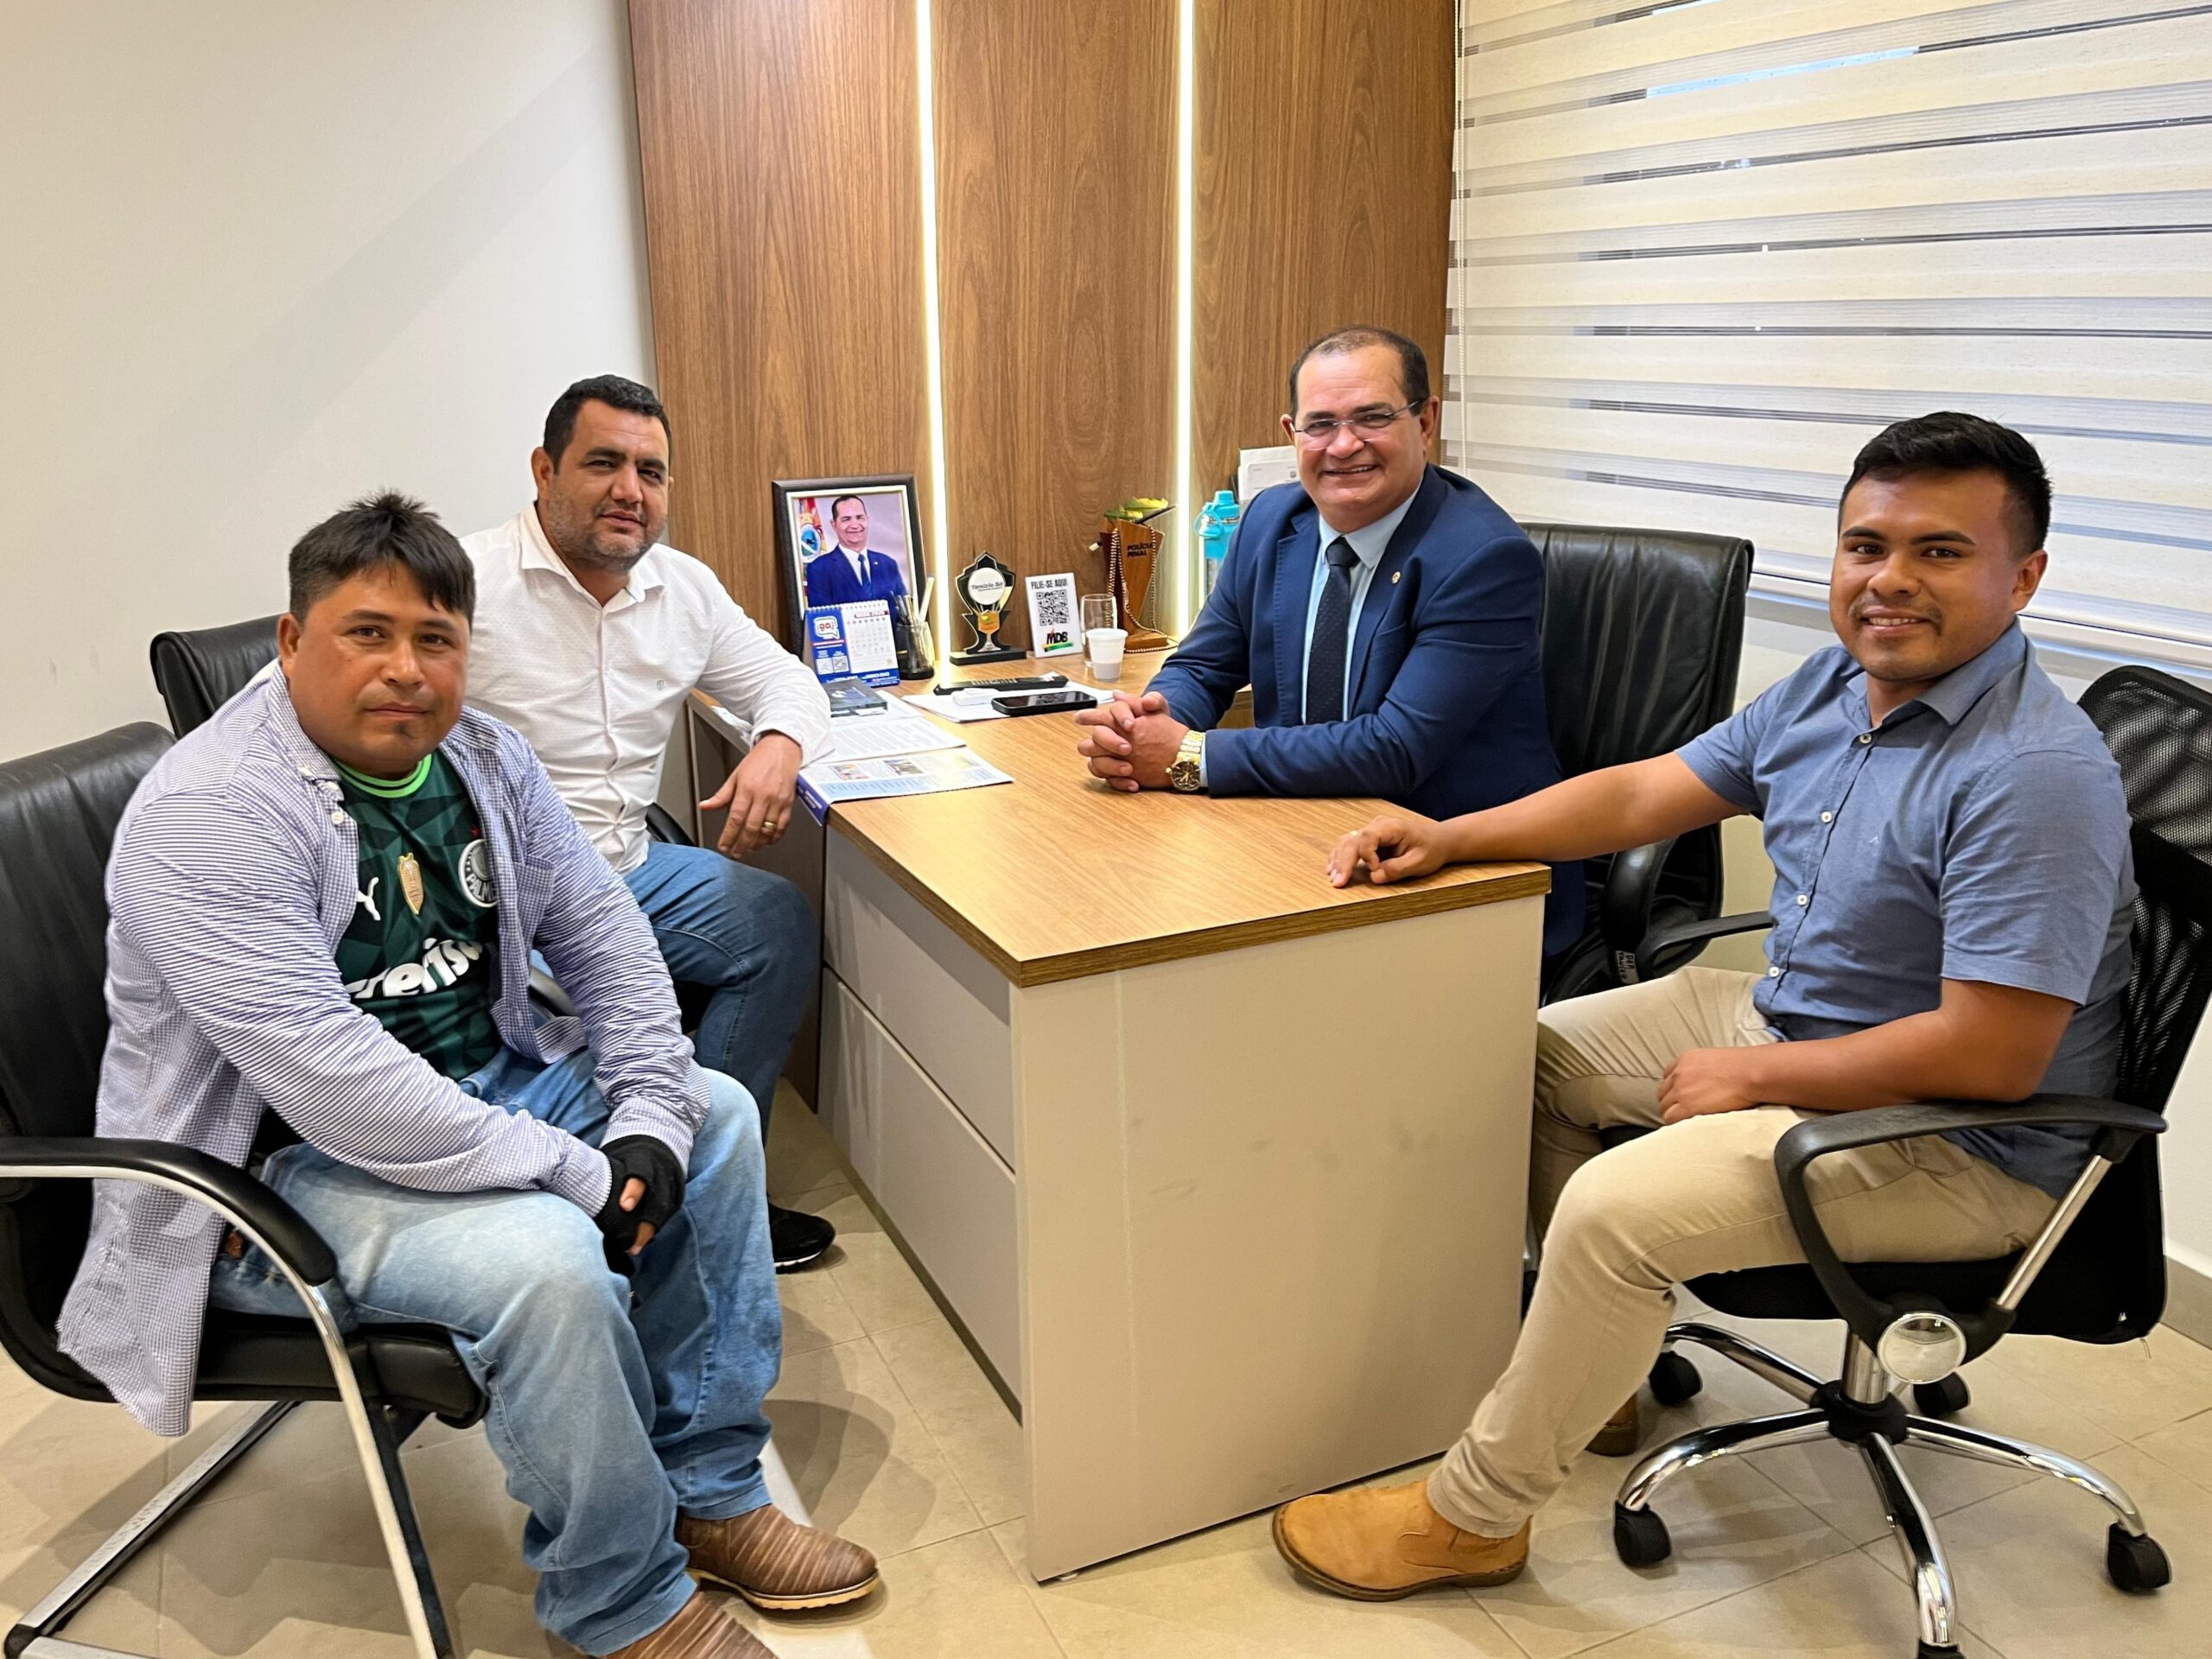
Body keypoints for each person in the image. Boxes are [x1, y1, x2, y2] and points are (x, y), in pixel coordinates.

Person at [1271, 412, 2133, 1600]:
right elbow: (1646, 794)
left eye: (1939, 552)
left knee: (1614, 1212)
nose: (1889, 581)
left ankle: (1472, 1520)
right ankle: (1597, 1371)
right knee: (1514, 1057)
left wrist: (1760, 1076)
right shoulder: (1838, 682)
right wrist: (1453, 834)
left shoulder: (2033, 774)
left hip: (1959, 1139)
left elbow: (1992, 1055)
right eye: (1865, 546)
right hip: (1806, 1024)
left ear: (2022, 576)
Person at [58, 494, 870, 1658]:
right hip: (273, 1179)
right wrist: (577, 1174)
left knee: (721, 1117)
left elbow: (603, 935)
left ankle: (709, 1492)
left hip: (480, 1087)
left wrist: (648, 1115)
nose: (406, 669)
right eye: (367, 633)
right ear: (291, 641)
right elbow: (336, 1083)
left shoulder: (482, 756)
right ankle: (621, 1601)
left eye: (435, 640)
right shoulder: (212, 813)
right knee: (546, 1260)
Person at [461, 375, 840, 1271]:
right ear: (545, 471)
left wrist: (778, 745)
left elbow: (789, 681)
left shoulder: (684, 589)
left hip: (626, 865)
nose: (630, 490)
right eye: (604, 464)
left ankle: (715, 1183)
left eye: (651, 471)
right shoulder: (465, 583)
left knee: (773, 923)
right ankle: (621, 1193)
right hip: (500, 895)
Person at [1074, 325, 1580, 956]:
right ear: (1292, 434)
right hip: (1301, 835)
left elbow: (1394, 748)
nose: (1344, 445)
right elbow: (1204, 665)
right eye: (1320, 424)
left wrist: (1189, 758)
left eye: (1373, 417)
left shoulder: (1481, 558)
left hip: (1459, 879)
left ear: (1425, 421)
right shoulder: (1271, 520)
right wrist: (1146, 723)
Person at [804, 493, 909, 607]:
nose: (855, 525)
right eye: (846, 519)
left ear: (867, 520)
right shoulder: (819, 569)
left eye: (859, 518)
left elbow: (904, 612)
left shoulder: (888, 564)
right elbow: (822, 616)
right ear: (834, 525)